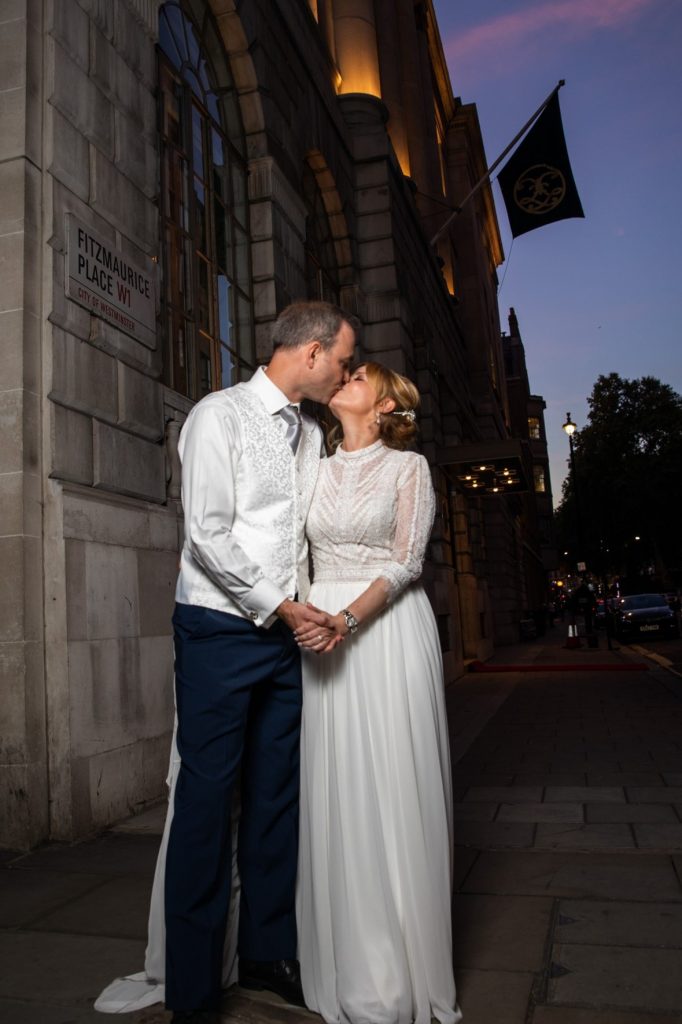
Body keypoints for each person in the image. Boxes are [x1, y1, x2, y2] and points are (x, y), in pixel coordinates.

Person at [94, 301, 357, 1024]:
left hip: (288, 636)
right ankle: (194, 987)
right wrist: (279, 604)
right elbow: (206, 533)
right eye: (342, 357)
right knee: (207, 806)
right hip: (218, 630)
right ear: (308, 352)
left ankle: (271, 958)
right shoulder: (219, 415)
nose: (345, 369)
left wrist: (316, 609)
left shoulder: (308, 432)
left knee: (276, 799)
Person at [294, 363, 462, 1024]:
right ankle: (353, 960)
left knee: (392, 784)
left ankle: (405, 968)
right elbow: (296, 556)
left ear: (385, 401)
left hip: (383, 631)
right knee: (340, 789)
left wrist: (347, 620)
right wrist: (306, 615)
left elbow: (406, 561)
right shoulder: (312, 465)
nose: (345, 376)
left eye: (359, 374)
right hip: (321, 634)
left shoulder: (407, 468)